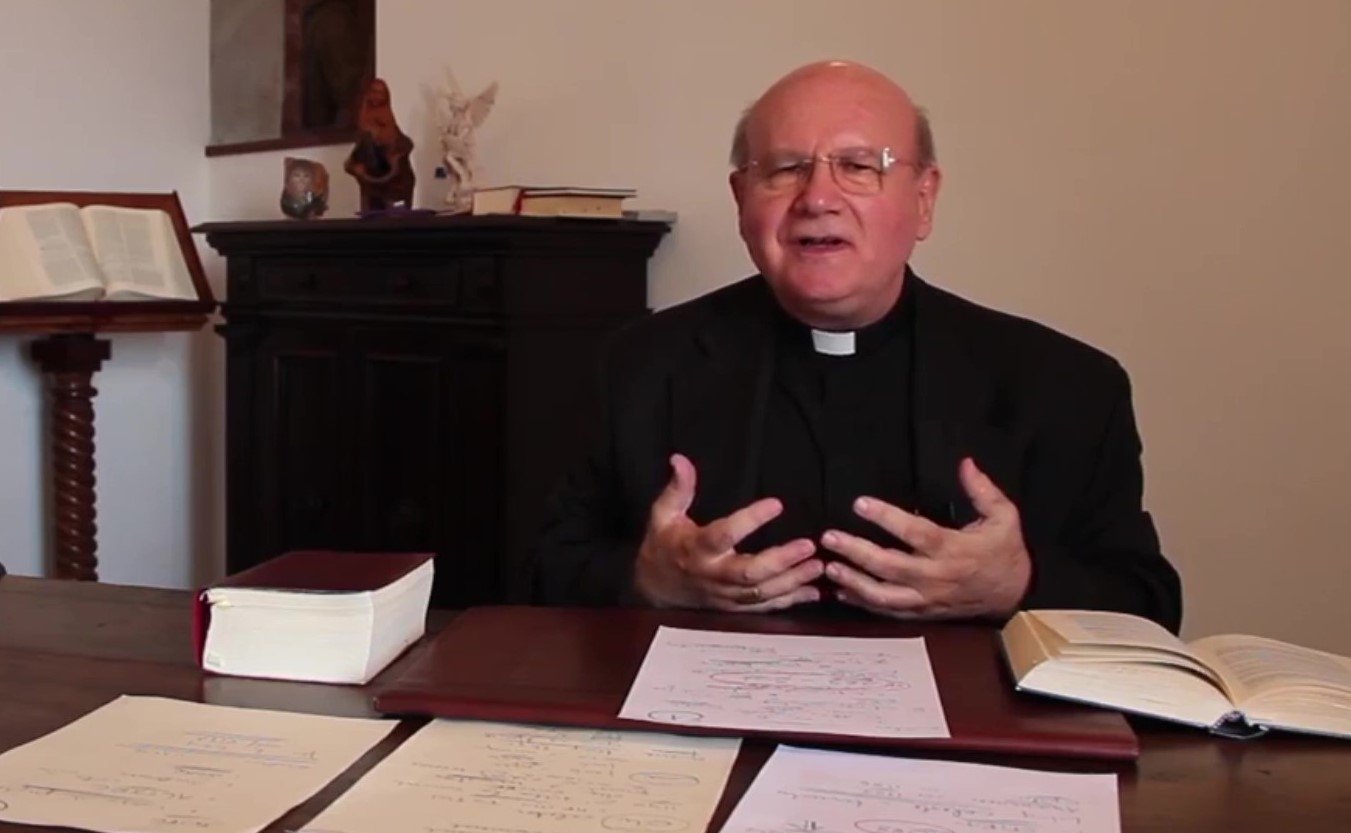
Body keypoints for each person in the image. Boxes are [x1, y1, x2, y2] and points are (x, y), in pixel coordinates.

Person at [529, 61, 1181, 631]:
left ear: (923, 199)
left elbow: (1148, 604)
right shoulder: (636, 367)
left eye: (859, 167)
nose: (818, 198)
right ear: (741, 200)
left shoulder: (1065, 385)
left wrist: (1017, 585)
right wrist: (647, 579)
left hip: (964, 727)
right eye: (785, 169)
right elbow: (536, 572)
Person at [343, 77, 415, 212]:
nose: (376, 96)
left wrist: (396, 157)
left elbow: (406, 145)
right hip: (371, 188)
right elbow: (352, 161)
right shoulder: (365, 132)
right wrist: (356, 168)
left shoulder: (392, 129)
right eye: (374, 92)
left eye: (380, 93)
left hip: (396, 187)